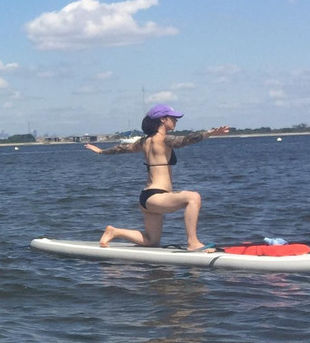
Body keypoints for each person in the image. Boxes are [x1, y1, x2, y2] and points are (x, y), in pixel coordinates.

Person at [85, 104, 230, 251]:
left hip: (147, 198)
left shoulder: (144, 141)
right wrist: (210, 133)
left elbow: (121, 148)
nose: (176, 121)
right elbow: (186, 139)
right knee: (193, 197)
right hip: (156, 196)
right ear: (162, 119)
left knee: (151, 241)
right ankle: (193, 242)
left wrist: (101, 151)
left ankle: (114, 232)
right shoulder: (164, 139)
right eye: (173, 118)